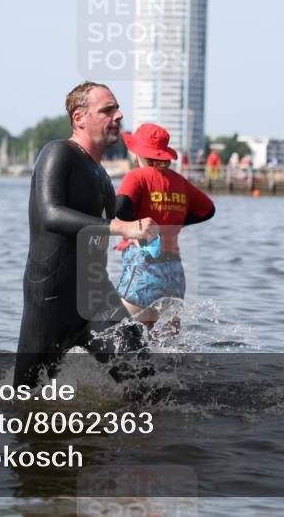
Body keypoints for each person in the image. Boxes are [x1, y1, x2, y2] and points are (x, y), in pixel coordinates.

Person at [13, 82, 157, 389]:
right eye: (108, 110)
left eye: (118, 109)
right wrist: (120, 227)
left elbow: (113, 216)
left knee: (146, 383)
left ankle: (144, 435)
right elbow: (51, 214)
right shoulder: (57, 153)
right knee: (26, 399)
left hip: (95, 296)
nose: (119, 115)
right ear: (80, 117)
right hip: (50, 300)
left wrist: (152, 200)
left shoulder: (100, 174)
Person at [114, 123, 215, 334]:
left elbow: (121, 205)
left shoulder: (137, 176)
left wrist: (134, 227)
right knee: (169, 346)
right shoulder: (180, 182)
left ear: (137, 153)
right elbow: (208, 209)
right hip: (174, 271)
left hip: (144, 264)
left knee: (124, 336)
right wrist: (175, 223)